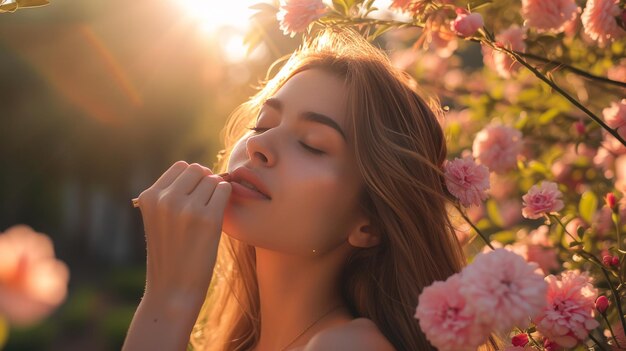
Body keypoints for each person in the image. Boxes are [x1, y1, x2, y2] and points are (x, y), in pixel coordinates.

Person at [122, 28, 495, 351]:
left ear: (369, 226)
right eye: (262, 124)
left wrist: (168, 300)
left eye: (313, 144)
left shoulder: (352, 346)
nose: (258, 146)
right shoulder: (238, 340)